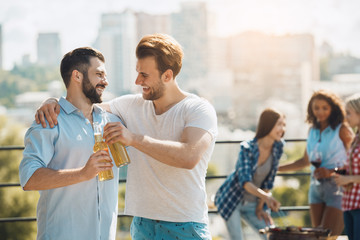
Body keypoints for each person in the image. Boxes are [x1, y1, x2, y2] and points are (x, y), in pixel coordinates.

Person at [34, 34, 218, 239]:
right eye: (138, 72)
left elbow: (188, 157)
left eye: (145, 75)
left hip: (186, 225)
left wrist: (133, 139)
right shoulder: (131, 105)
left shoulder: (198, 109)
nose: (138, 81)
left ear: (167, 76)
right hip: (141, 225)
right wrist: (51, 102)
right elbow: (80, 106)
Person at [19, 47, 121, 240]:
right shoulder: (49, 122)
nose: (105, 81)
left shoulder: (113, 121)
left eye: (105, 75)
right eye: (99, 74)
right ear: (77, 76)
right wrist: (83, 173)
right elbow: (29, 178)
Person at [278, 89, 354, 236]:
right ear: (311, 110)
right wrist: (276, 169)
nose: (320, 112)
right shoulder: (312, 131)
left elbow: (355, 160)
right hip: (315, 188)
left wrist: (331, 171)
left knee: (328, 236)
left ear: (333, 108)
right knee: (315, 237)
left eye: (325, 108)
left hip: (337, 188)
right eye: (316, 108)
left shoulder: (342, 129)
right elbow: (305, 161)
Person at [214, 108, 284, 240]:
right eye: (279, 124)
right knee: (237, 238)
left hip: (254, 203)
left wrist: (260, 207)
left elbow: (269, 180)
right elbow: (245, 182)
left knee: (271, 236)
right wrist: (267, 198)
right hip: (232, 199)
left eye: (283, 124)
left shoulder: (278, 147)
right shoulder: (247, 148)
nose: (282, 129)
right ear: (268, 125)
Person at [333, 93, 360, 240]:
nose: (346, 117)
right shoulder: (356, 138)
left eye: (349, 113)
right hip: (350, 201)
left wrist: (347, 179)